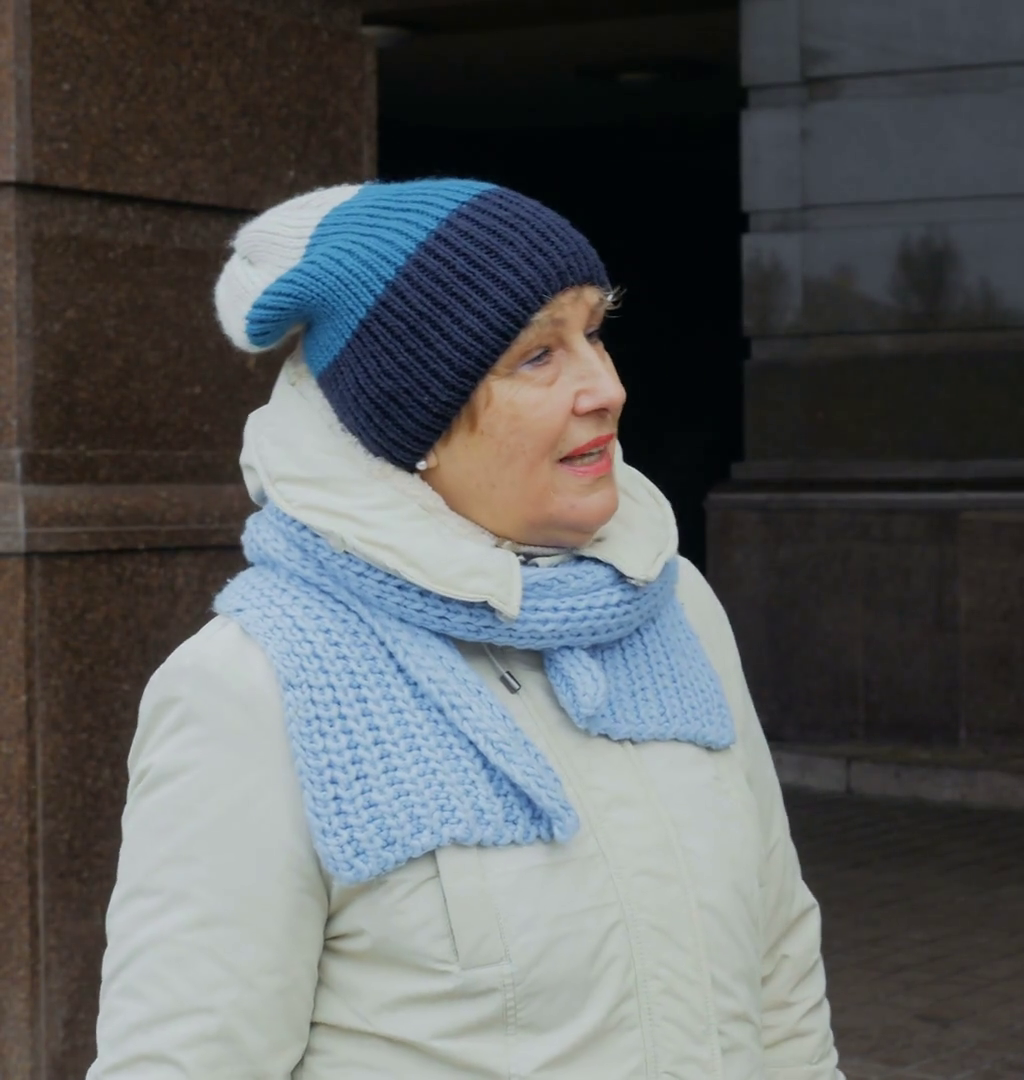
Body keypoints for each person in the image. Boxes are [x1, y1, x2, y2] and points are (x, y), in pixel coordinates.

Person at [88, 180, 843, 1078]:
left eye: (595, 332)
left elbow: (779, 965)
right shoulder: (258, 686)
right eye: (537, 355)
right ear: (418, 421)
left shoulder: (678, 610)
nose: (607, 387)